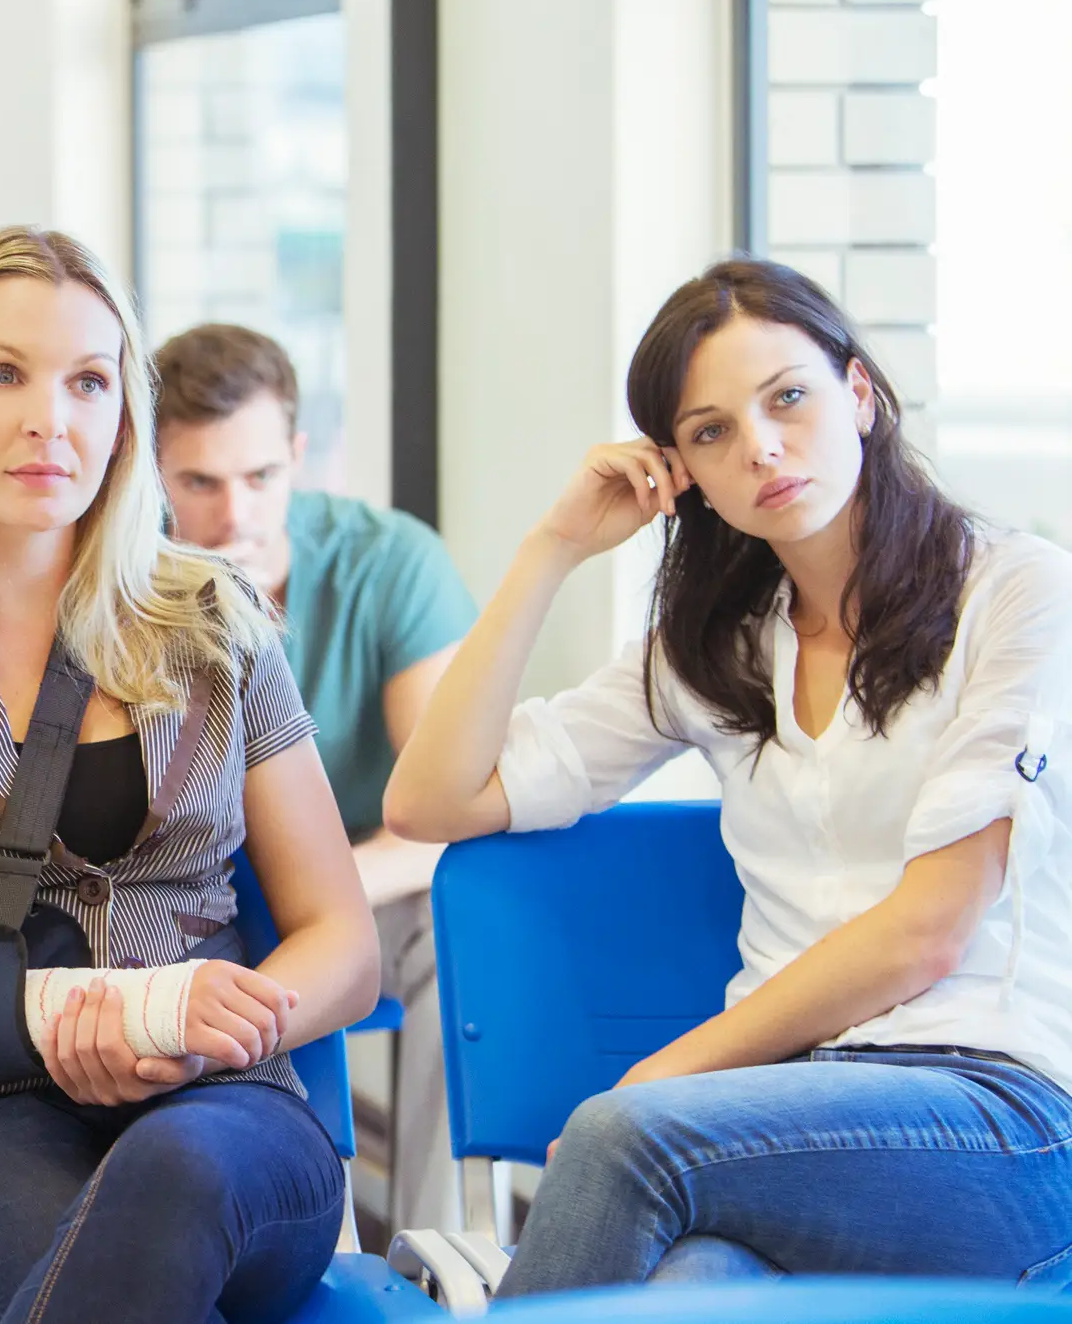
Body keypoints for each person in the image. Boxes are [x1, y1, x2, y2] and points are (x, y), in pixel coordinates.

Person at [383, 258, 1072, 1294]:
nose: (761, 447)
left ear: (861, 394)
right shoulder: (718, 648)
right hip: (784, 1131)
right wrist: (552, 548)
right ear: (684, 471)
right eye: (710, 431)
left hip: (999, 1117)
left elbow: (929, 929)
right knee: (692, 1287)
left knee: (627, 1136)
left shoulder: (1016, 591)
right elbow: (429, 799)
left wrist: (665, 1078)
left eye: (788, 397)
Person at [0, 227, 382, 1324]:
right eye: (4, 373)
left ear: (125, 417)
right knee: (116, 1272)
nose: (52, 417)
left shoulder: (216, 622)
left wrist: (199, 1027)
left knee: (171, 1181)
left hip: (222, 1110)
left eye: (90, 381)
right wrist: (91, 1014)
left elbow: (346, 945)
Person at [154, 322, 476, 1234]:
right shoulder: (123, 586)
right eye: (199, 484)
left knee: (461, 932)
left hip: (363, 888)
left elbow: (445, 814)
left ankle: (436, 1252)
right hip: (188, 904)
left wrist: (325, 903)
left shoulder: (388, 563)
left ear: (298, 456)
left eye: (261, 478)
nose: (236, 517)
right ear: (152, 477)